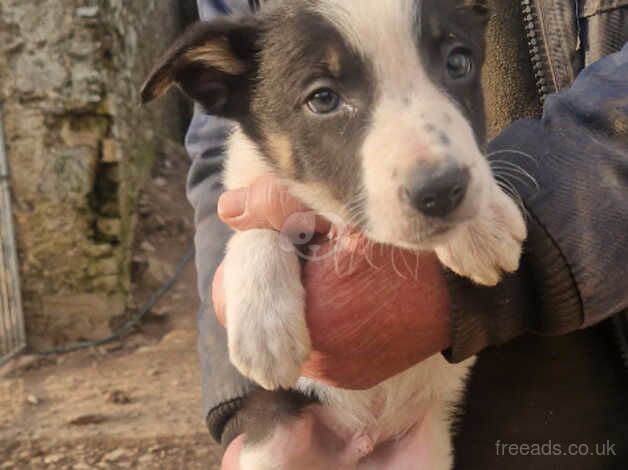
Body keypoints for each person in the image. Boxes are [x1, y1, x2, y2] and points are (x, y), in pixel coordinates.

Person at [185, 0, 628, 468]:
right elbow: (227, 150)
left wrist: (531, 217)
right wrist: (243, 405)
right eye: (324, 96)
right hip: (299, 415)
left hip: (537, 387)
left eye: (454, 63)